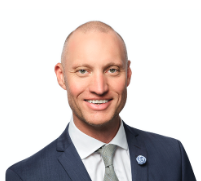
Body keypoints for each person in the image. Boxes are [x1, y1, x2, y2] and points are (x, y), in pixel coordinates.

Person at [6, 21, 196, 181]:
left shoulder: (172, 156)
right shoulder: (26, 176)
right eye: (82, 71)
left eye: (112, 70)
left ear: (128, 74)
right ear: (61, 76)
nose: (99, 88)